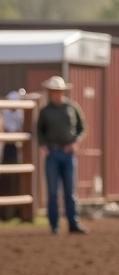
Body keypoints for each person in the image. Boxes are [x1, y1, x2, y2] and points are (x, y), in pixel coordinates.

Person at [36, 76, 87, 235]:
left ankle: (73, 223)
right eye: (53, 91)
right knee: (52, 191)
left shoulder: (72, 108)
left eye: (58, 91)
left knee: (70, 191)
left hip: (68, 153)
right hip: (53, 153)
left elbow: (81, 127)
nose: (56, 94)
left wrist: (75, 142)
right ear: (50, 92)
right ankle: (54, 225)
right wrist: (44, 145)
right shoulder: (45, 111)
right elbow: (40, 131)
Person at [2, 87, 26, 164]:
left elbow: (20, 127)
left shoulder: (19, 113)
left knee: (17, 159)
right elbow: (5, 128)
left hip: (16, 142)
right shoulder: (6, 112)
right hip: (8, 142)